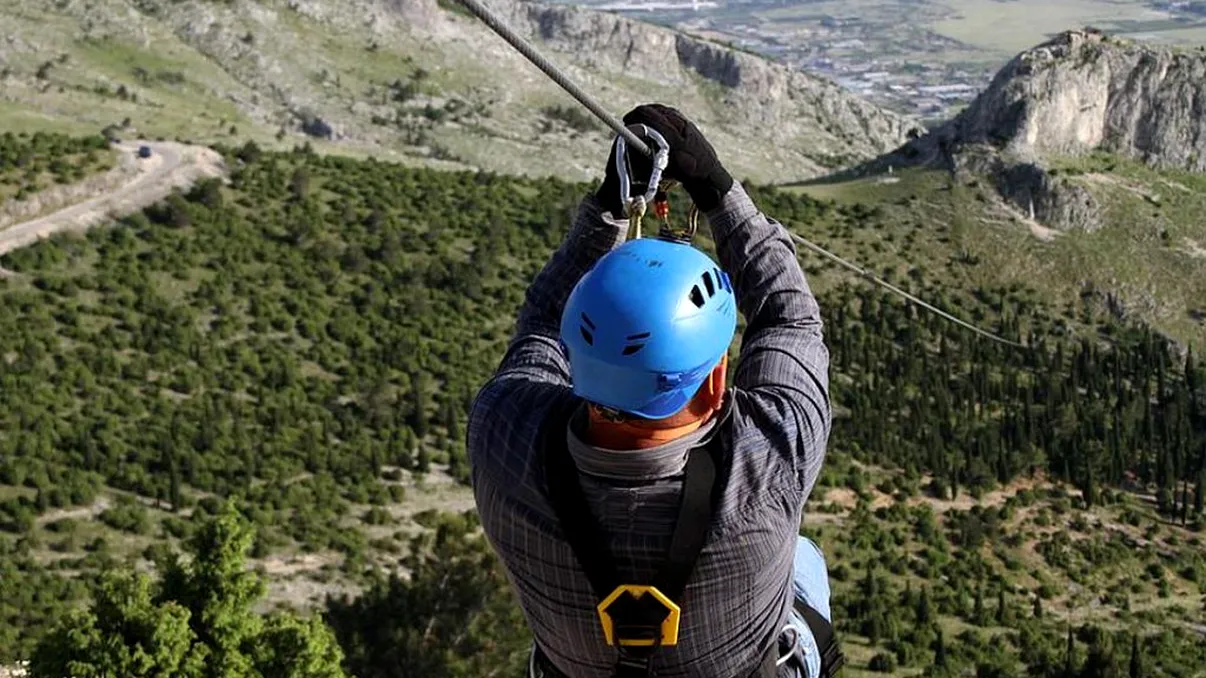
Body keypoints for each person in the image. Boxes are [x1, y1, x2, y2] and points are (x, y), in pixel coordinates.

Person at [468, 103, 840, 678]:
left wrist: (612, 205)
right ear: (718, 379)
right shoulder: (767, 463)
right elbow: (790, 319)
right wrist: (716, 189)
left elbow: (540, 324)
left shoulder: (503, 436)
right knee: (805, 559)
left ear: (577, 356)